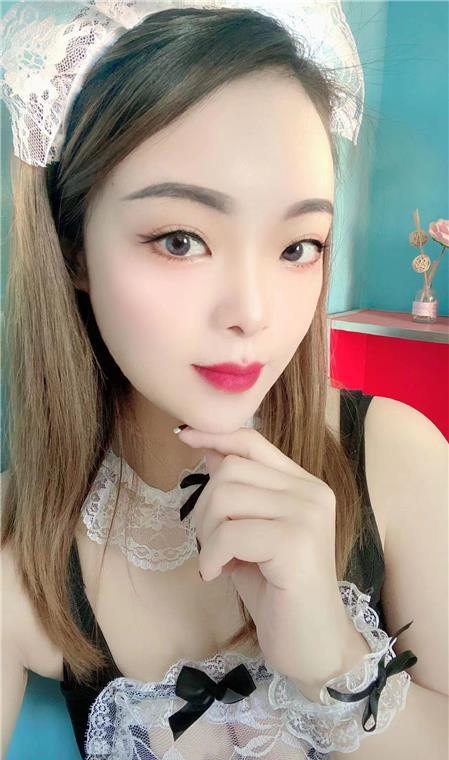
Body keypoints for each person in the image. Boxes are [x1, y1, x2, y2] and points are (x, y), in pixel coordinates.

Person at [1, 2, 447, 759]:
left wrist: (330, 657)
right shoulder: (20, 543)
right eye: (181, 240)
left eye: (298, 246)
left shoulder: (400, 457)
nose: (253, 313)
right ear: (74, 248)